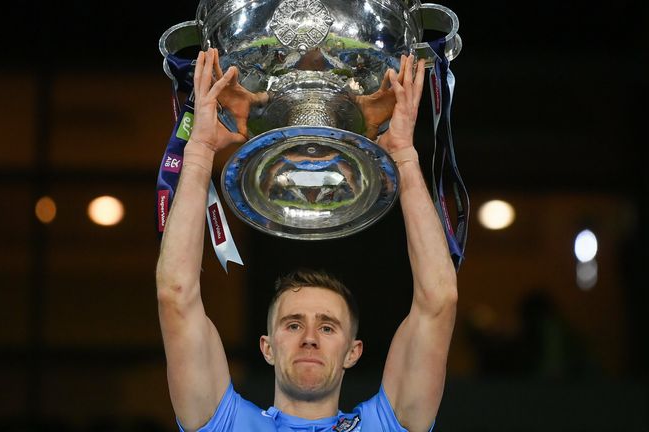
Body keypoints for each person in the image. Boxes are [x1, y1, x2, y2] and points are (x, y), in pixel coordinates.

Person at [156, 48, 458, 432]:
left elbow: (439, 299)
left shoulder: (387, 425)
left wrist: (404, 157)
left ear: (353, 352)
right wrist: (198, 152)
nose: (310, 339)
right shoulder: (226, 423)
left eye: (328, 327)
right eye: (293, 325)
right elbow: (175, 293)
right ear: (267, 347)